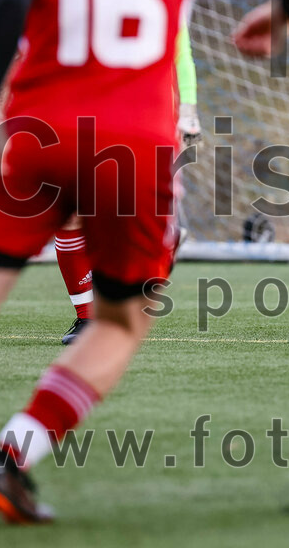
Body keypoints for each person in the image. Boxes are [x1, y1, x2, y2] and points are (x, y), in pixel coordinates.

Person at [0, 0, 289, 523]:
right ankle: (13, 455)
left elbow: (8, 6)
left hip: (37, 139)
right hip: (133, 153)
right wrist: (274, 20)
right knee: (119, 322)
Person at [58, 22, 201, 345]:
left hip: (146, 113)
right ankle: (86, 319)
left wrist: (188, 109)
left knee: (128, 212)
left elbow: (182, 53)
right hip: (82, 108)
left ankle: (160, 238)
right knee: (69, 213)